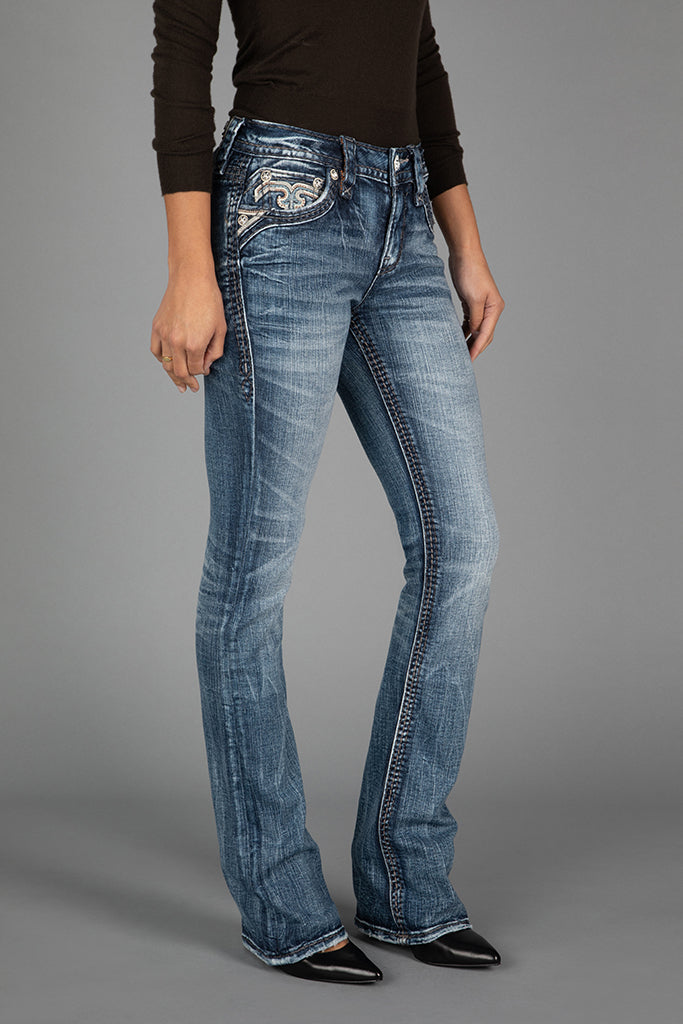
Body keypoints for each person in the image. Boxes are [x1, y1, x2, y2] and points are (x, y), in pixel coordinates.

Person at [149, 0, 505, 985]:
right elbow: (181, 57)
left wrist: (464, 241)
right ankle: (280, 902)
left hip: (403, 212)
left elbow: (416, 56)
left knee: (463, 544)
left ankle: (402, 880)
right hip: (279, 205)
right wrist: (189, 266)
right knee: (251, 574)